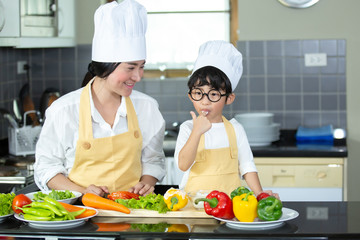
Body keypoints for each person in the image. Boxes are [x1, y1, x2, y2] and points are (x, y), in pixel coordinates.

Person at [34, 0, 166, 197]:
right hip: (79, 215)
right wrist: (83, 192)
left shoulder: (147, 107)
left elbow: (153, 160)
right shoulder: (64, 109)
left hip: (133, 213)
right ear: (106, 66)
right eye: (130, 67)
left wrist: (146, 183)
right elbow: (46, 168)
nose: (138, 76)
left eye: (141, 66)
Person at [174, 40, 278, 198]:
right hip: (194, 206)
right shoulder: (188, 128)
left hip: (230, 206)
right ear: (190, 95)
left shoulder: (235, 129)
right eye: (198, 93)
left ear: (229, 98)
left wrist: (260, 194)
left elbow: (247, 166)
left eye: (214, 94)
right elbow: (183, 165)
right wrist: (197, 132)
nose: (205, 101)